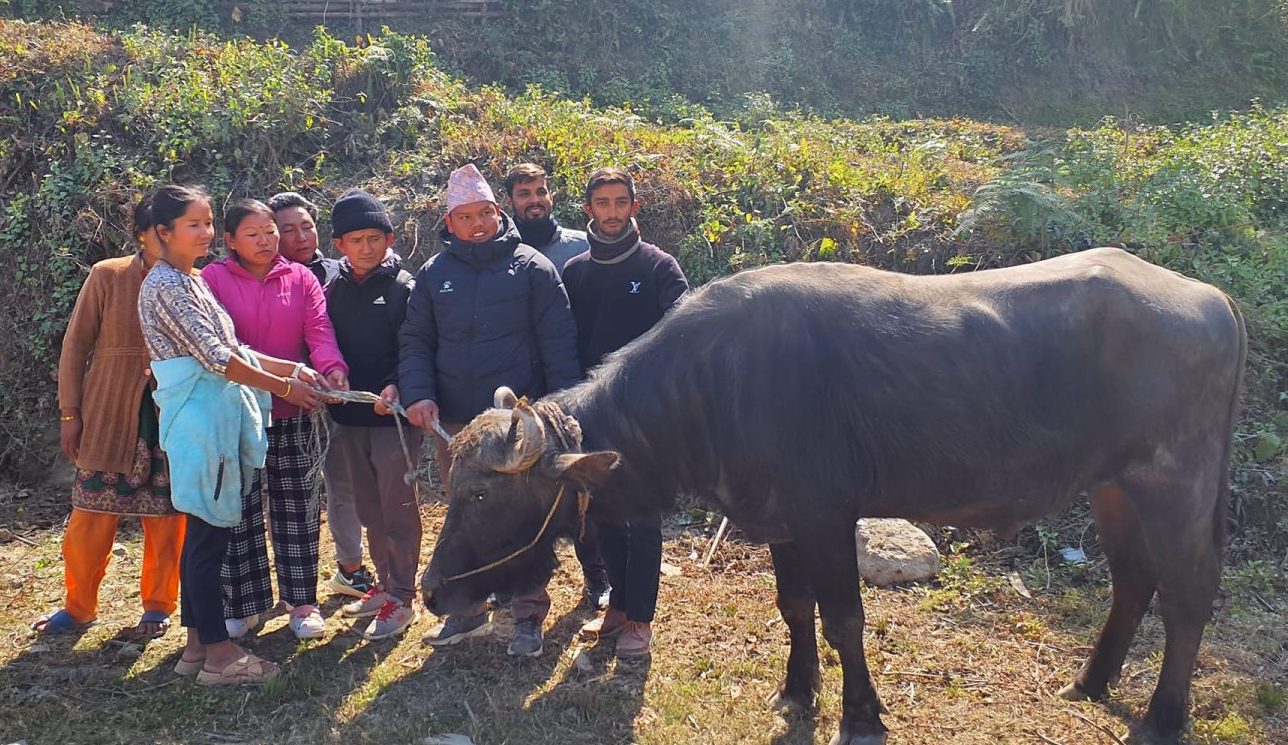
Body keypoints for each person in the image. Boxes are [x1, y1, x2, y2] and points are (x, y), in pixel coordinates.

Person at [137, 184, 327, 685]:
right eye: (192, 225)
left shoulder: (191, 280)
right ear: (163, 232)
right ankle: (220, 655)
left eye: (205, 223)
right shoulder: (166, 286)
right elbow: (218, 358)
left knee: (206, 533)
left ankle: (198, 647)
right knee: (207, 540)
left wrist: (290, 366)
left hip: (212, 421)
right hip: (201, 424)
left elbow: (233, 345)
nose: (202, 233)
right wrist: (285, 383)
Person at [400, 164, 580, 657]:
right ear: (449, 222)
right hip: (456, 425)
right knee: (463, 520)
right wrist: (418, 393)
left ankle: (527, 615)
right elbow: (416, 341)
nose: (477, 224)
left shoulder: (533, 267)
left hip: (518, 437)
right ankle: (467, 612)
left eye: (485, 213)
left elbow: (558, 344)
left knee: (520, 520)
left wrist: (560, 411)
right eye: (465, 216)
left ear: (499, 214)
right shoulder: (434, 275)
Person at [31, 199, 186, 640]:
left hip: (169, 413)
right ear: (142, 233)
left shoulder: (192, 282)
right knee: (89, 515)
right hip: (106, 412)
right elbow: (75, 347)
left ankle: (159, 606)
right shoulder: (108, 274)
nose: (167, 237)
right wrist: (69, 412)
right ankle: (79, 606)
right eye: (160, 230)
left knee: (169, 517)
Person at [202, 199, 350, 641]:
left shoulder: (301, 277)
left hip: (294, 410)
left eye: (270, 231)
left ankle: (302, 602)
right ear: (230, 241)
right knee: (239, 510)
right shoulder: (210, 280)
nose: (266, 240)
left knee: (297, 507)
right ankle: (244, 605)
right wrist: (278, 382)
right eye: (253, 234)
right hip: (236, 414)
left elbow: (319, 332)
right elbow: (221, 350)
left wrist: (332, 368)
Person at [564, 167, 690, 657]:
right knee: (602, 515)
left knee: (643, 519)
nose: (612, 212)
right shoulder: (575, 272)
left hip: (646, 417)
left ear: (634, 208)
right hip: (591, 417)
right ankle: (616, 607)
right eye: (603, 203)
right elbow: (564, 344)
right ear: (589, 210)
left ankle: (641, 619)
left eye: (621, 202)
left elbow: (681, 335)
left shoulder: (659, 267)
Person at [503, 162, 611, 611]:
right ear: (509, 201)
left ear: (552, 196)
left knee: (582, 483)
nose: (534, 200)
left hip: (573, 383)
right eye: (524, 193)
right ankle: (515, 581)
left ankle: (597, 575)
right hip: (519, 386)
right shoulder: (499, 252)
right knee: (514, 489)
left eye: (540, 191)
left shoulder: (579, 247)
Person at [322, 189, 422, 640]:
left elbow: (418, 345)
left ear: (390, 239)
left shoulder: (405, 289)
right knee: (367, 506)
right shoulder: (331, 289)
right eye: (356, 240)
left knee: (396, 505)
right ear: (339, 245)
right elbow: (322, 343)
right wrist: (331, 379)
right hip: (349, 416)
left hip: (392, 417)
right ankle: (383, 584)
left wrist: (399, 384)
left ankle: (403, 596)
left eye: (374, 238)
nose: (366, 248)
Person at [269, 190, 374, 600]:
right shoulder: (270, 279)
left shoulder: (341, 271)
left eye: (307, 227)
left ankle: (351, 567)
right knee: (304, 492)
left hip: (344, 393)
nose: (300, 237)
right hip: (287, 399)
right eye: (287, 230)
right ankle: (315, 578)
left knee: (346, 481)